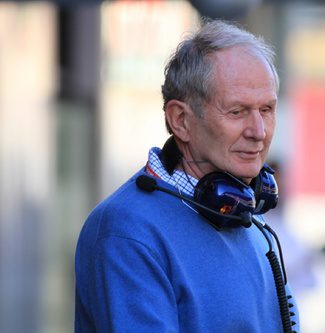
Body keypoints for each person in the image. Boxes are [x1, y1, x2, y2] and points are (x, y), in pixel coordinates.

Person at [75, 21, 299, 333]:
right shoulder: (127, 231)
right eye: (237, 112)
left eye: (267, 110)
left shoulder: (251, 225)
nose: (258, 132)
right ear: (181, 120)